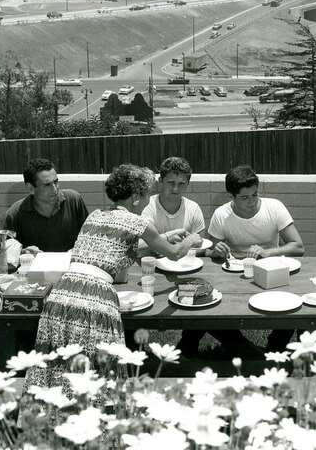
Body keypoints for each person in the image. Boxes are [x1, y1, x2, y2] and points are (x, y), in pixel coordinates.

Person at [25, 164, 200, 392]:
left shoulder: (95, 217)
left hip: (62, 294)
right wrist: (191, 239)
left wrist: (165, 236)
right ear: (136, 197)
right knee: (100, 377)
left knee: (58, 372)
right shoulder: (138, 222)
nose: (149, 200)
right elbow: (175, 254)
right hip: (94, 298)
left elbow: (120, 249)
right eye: (146, 194)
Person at [177, 165, 304, 357]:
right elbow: (211, 251)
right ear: (231, 197)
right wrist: (217, 250)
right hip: (233, 272)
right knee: (204, 304)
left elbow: (298, 247)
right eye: (244, 197)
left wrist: (268, 252)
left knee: (294, 304)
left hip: (270, 269)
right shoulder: (222, 214)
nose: (252, 201)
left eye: (255, 195)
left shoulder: (274, 207)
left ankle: (276, 345)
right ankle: (242, 351)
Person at [2, 158, 89, 253]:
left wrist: (78, 250)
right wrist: (22, 252)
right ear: (31, 188)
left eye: (56, 182)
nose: (55, 189)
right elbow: (3, 253)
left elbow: (90, 239)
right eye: (47, 185)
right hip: (34, 267)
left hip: (71, 266)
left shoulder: (74, 200)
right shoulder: (15, 213)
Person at [140, 156, 205, 248]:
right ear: (160, 181)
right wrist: (169, 237)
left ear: (187, 184)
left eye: (181, 184)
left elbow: (201, 246)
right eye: (171, 182)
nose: (176, 189)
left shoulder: (193, 208)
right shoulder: (147, 206)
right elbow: (139, 246)